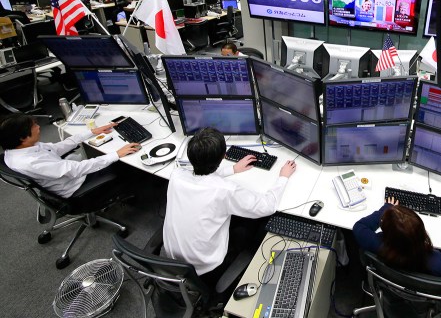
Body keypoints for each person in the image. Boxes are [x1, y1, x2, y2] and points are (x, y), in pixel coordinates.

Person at [163, 127, 297, 291]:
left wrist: (232, 169)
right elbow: (268, 206)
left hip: (171, 261)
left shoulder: (176, 176)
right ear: (223, 156)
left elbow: (201, 176)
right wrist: (283, 177)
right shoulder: (225, 190)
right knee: (257, 222)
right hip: (207, 268)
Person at [0, 114, 141, 201]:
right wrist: (117, 154)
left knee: (110, 156)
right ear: (23, 138)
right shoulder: (30, 162)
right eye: (34, 126)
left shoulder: (18, 148)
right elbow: (77, 169)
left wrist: (91, 132)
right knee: (126, 163)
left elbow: (57, 148)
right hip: (75, 186)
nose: (39, 127)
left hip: (64, 177)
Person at [353, 197, 441, 282]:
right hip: (421, 303)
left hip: (387, 290)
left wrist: (386, 210)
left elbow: (359, 226)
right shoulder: (436, 262)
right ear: (422, 233)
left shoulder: (376, 244)